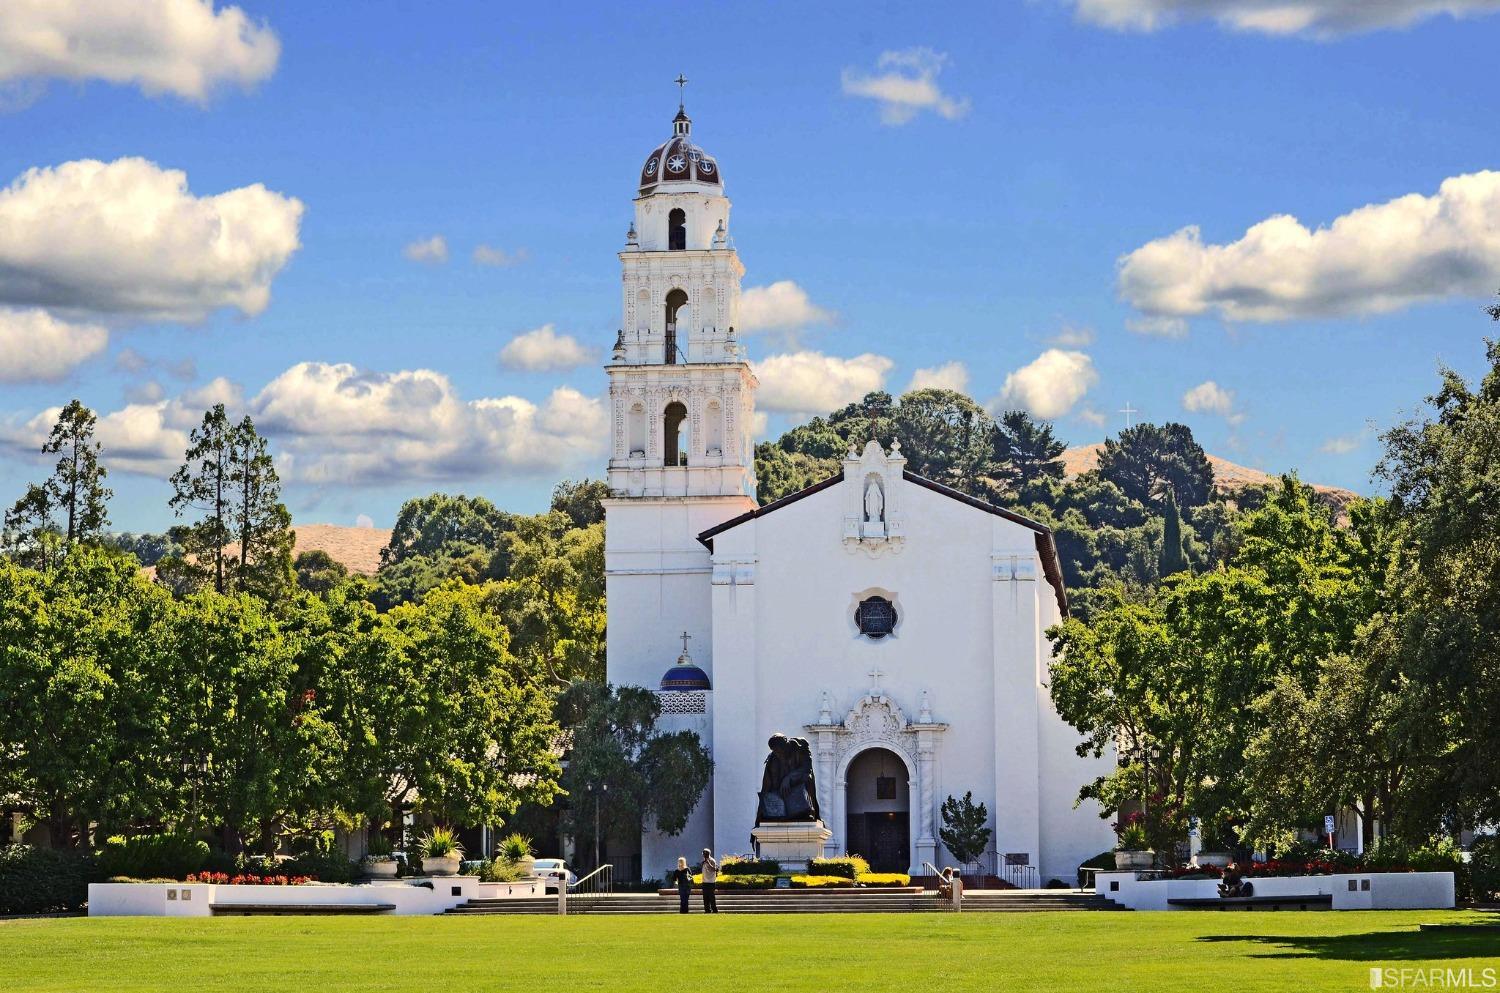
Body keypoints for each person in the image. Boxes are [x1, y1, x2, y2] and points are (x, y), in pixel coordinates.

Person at [699, 848, 719, 913]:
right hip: (704, 882)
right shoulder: (703, 861)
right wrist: (703, 863)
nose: (704, 855)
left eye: (705, 854)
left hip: (711, 882)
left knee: (711, 897)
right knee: (705, 897)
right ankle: (707, 910)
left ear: (708, 854)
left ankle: (714, 910)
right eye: (703, 854)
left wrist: (708, 863)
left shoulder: (712, 860)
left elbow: (715, 869)